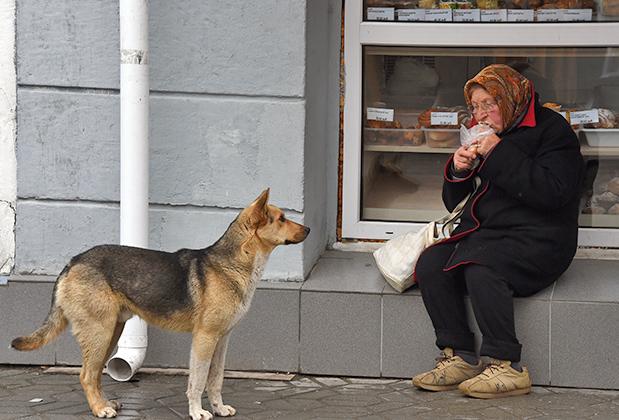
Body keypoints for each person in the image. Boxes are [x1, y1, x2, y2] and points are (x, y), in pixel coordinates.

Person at [411, 64, 584, 398]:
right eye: (475, 107)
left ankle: (508, 365)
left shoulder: (552, 131)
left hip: (542, 238)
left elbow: (553, 192)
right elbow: (453, 202)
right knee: (431, 264)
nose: (481, 114)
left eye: (489, 103)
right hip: (490, 235)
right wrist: (459, 170)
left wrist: (497, 152)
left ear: (509, 97)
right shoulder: (484, 133)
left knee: (481, 267)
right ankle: (459, 355)